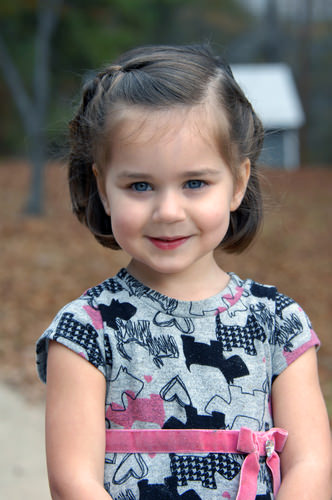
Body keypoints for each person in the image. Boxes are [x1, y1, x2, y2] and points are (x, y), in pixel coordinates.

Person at [36, 44, 331, 500]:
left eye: (195, 183)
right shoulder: (86, 331)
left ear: (236, 182)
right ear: (104, 188)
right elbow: (73, 481)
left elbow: (312, 464)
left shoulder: (280, 324)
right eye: (140, 186)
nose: (168, 211)